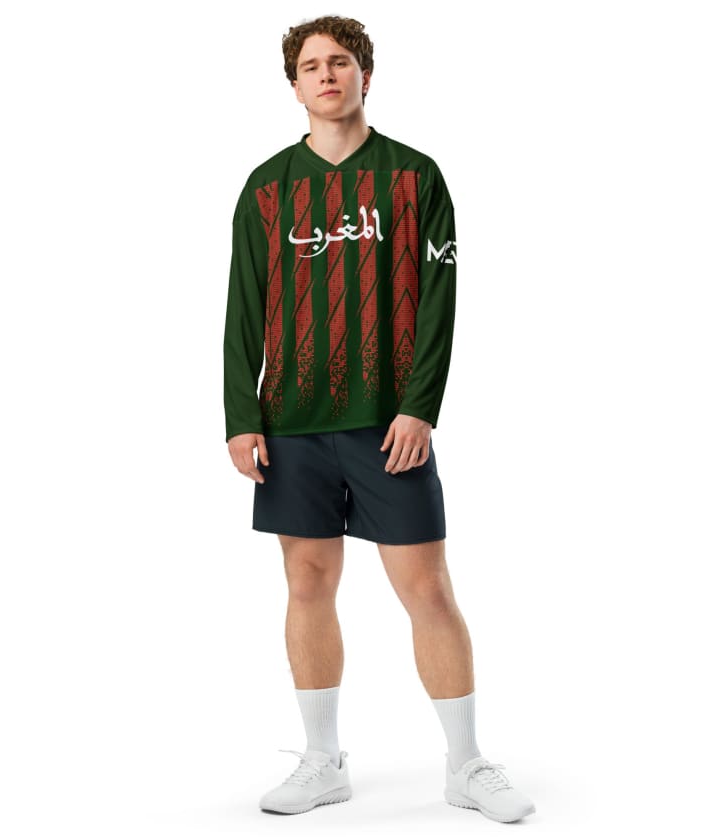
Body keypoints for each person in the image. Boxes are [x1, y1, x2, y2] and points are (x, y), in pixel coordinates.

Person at [223, 14, 535, 823]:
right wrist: (240, 414)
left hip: (387, 420)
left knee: (426, 586)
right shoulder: (267, 188)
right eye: (311, 65)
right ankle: (322, 761)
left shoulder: (414, 177)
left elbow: (439, 302)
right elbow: (244, 306)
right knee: (306, 580)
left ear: (366, 74)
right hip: (291, 420)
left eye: (340, 61)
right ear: (294, 85)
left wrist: (419, 406)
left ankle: (466, 764)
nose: (326, 75)